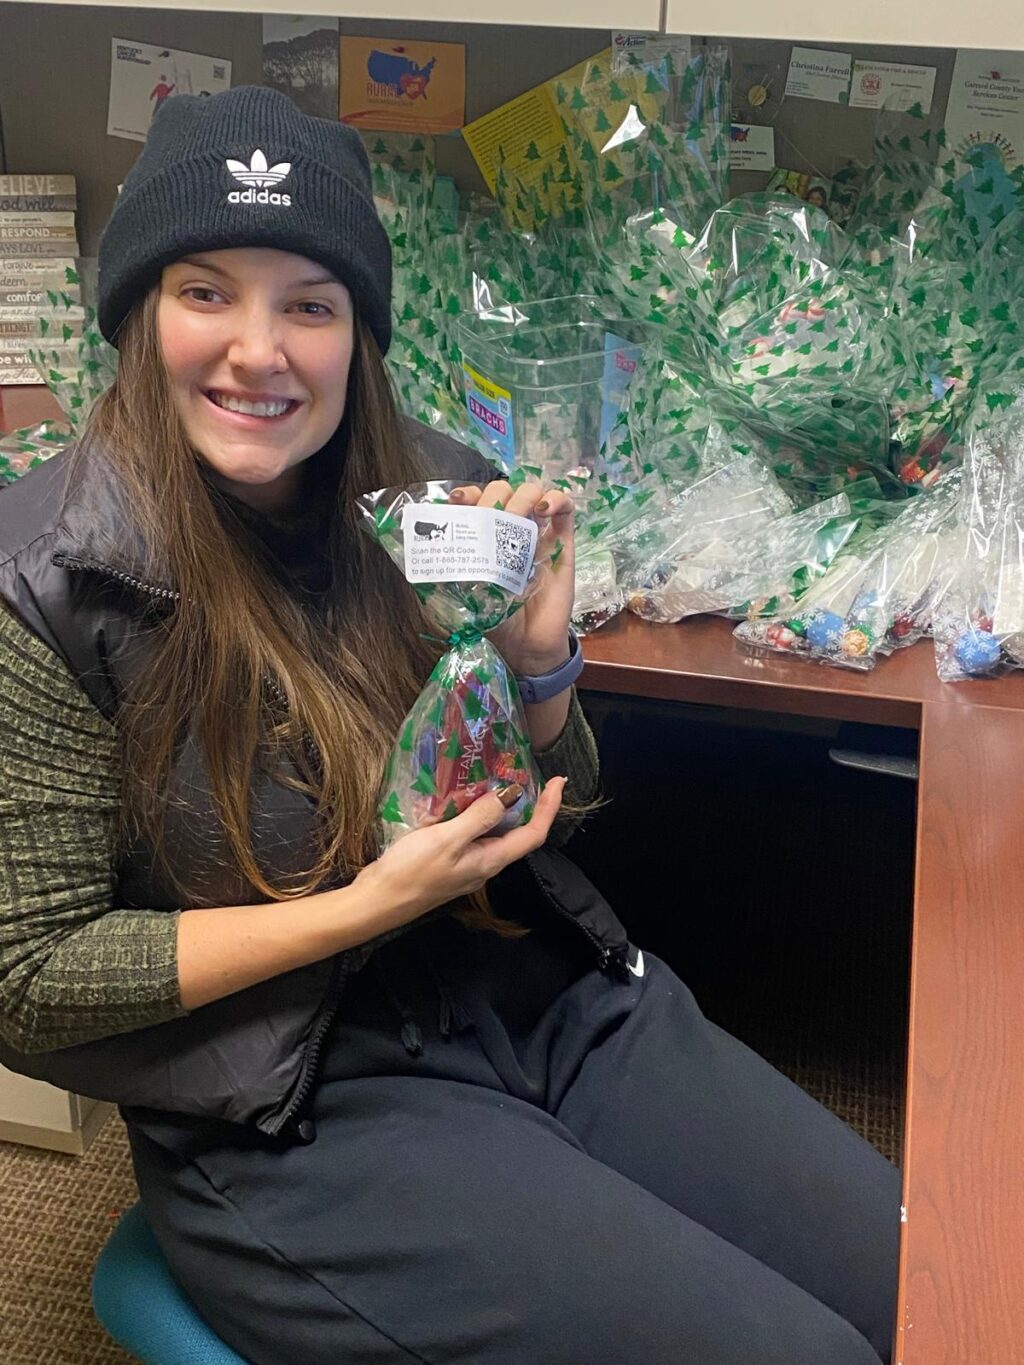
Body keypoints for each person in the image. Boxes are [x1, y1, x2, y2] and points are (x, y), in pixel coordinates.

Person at [0, 87, 899, 1365]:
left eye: (308, 303)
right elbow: (28, 986)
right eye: (205, 290)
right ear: (137, 314)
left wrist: (539, 669)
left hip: (527, 984)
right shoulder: (40, 584)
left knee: (937, 1289)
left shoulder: (424, 497)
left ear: (355, 331)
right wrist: (366, 907)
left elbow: (549, 802)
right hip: (290, 1096)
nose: (260, 349)